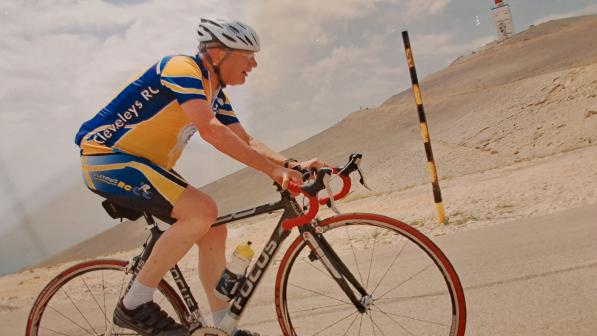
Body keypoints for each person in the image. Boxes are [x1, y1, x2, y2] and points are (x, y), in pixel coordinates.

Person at [74, 18, 324, 336]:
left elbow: (246, 141)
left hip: (145, 164)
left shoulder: (214, 92)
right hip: (106, 159)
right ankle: (133, 305)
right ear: (218, 53)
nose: (255, 63)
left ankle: (223, 329)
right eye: (248, 55)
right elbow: (211, 130)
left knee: (214, 230)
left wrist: (291, 164)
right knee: (201, 211)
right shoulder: (181, 68)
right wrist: (272, 171)